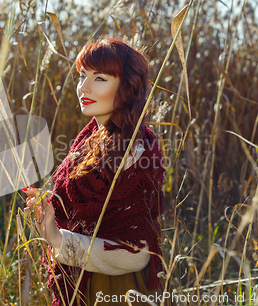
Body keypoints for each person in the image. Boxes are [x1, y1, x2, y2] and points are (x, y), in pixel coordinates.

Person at [23, 37, 165, 306]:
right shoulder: (92, 138)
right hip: (87, 280)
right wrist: (51, 210)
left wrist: (57, 237)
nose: (83, 87)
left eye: (100, 78)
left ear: (126, 87)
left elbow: (135, 251)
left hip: (115, 288)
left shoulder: (132, 151)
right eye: (82, 75)